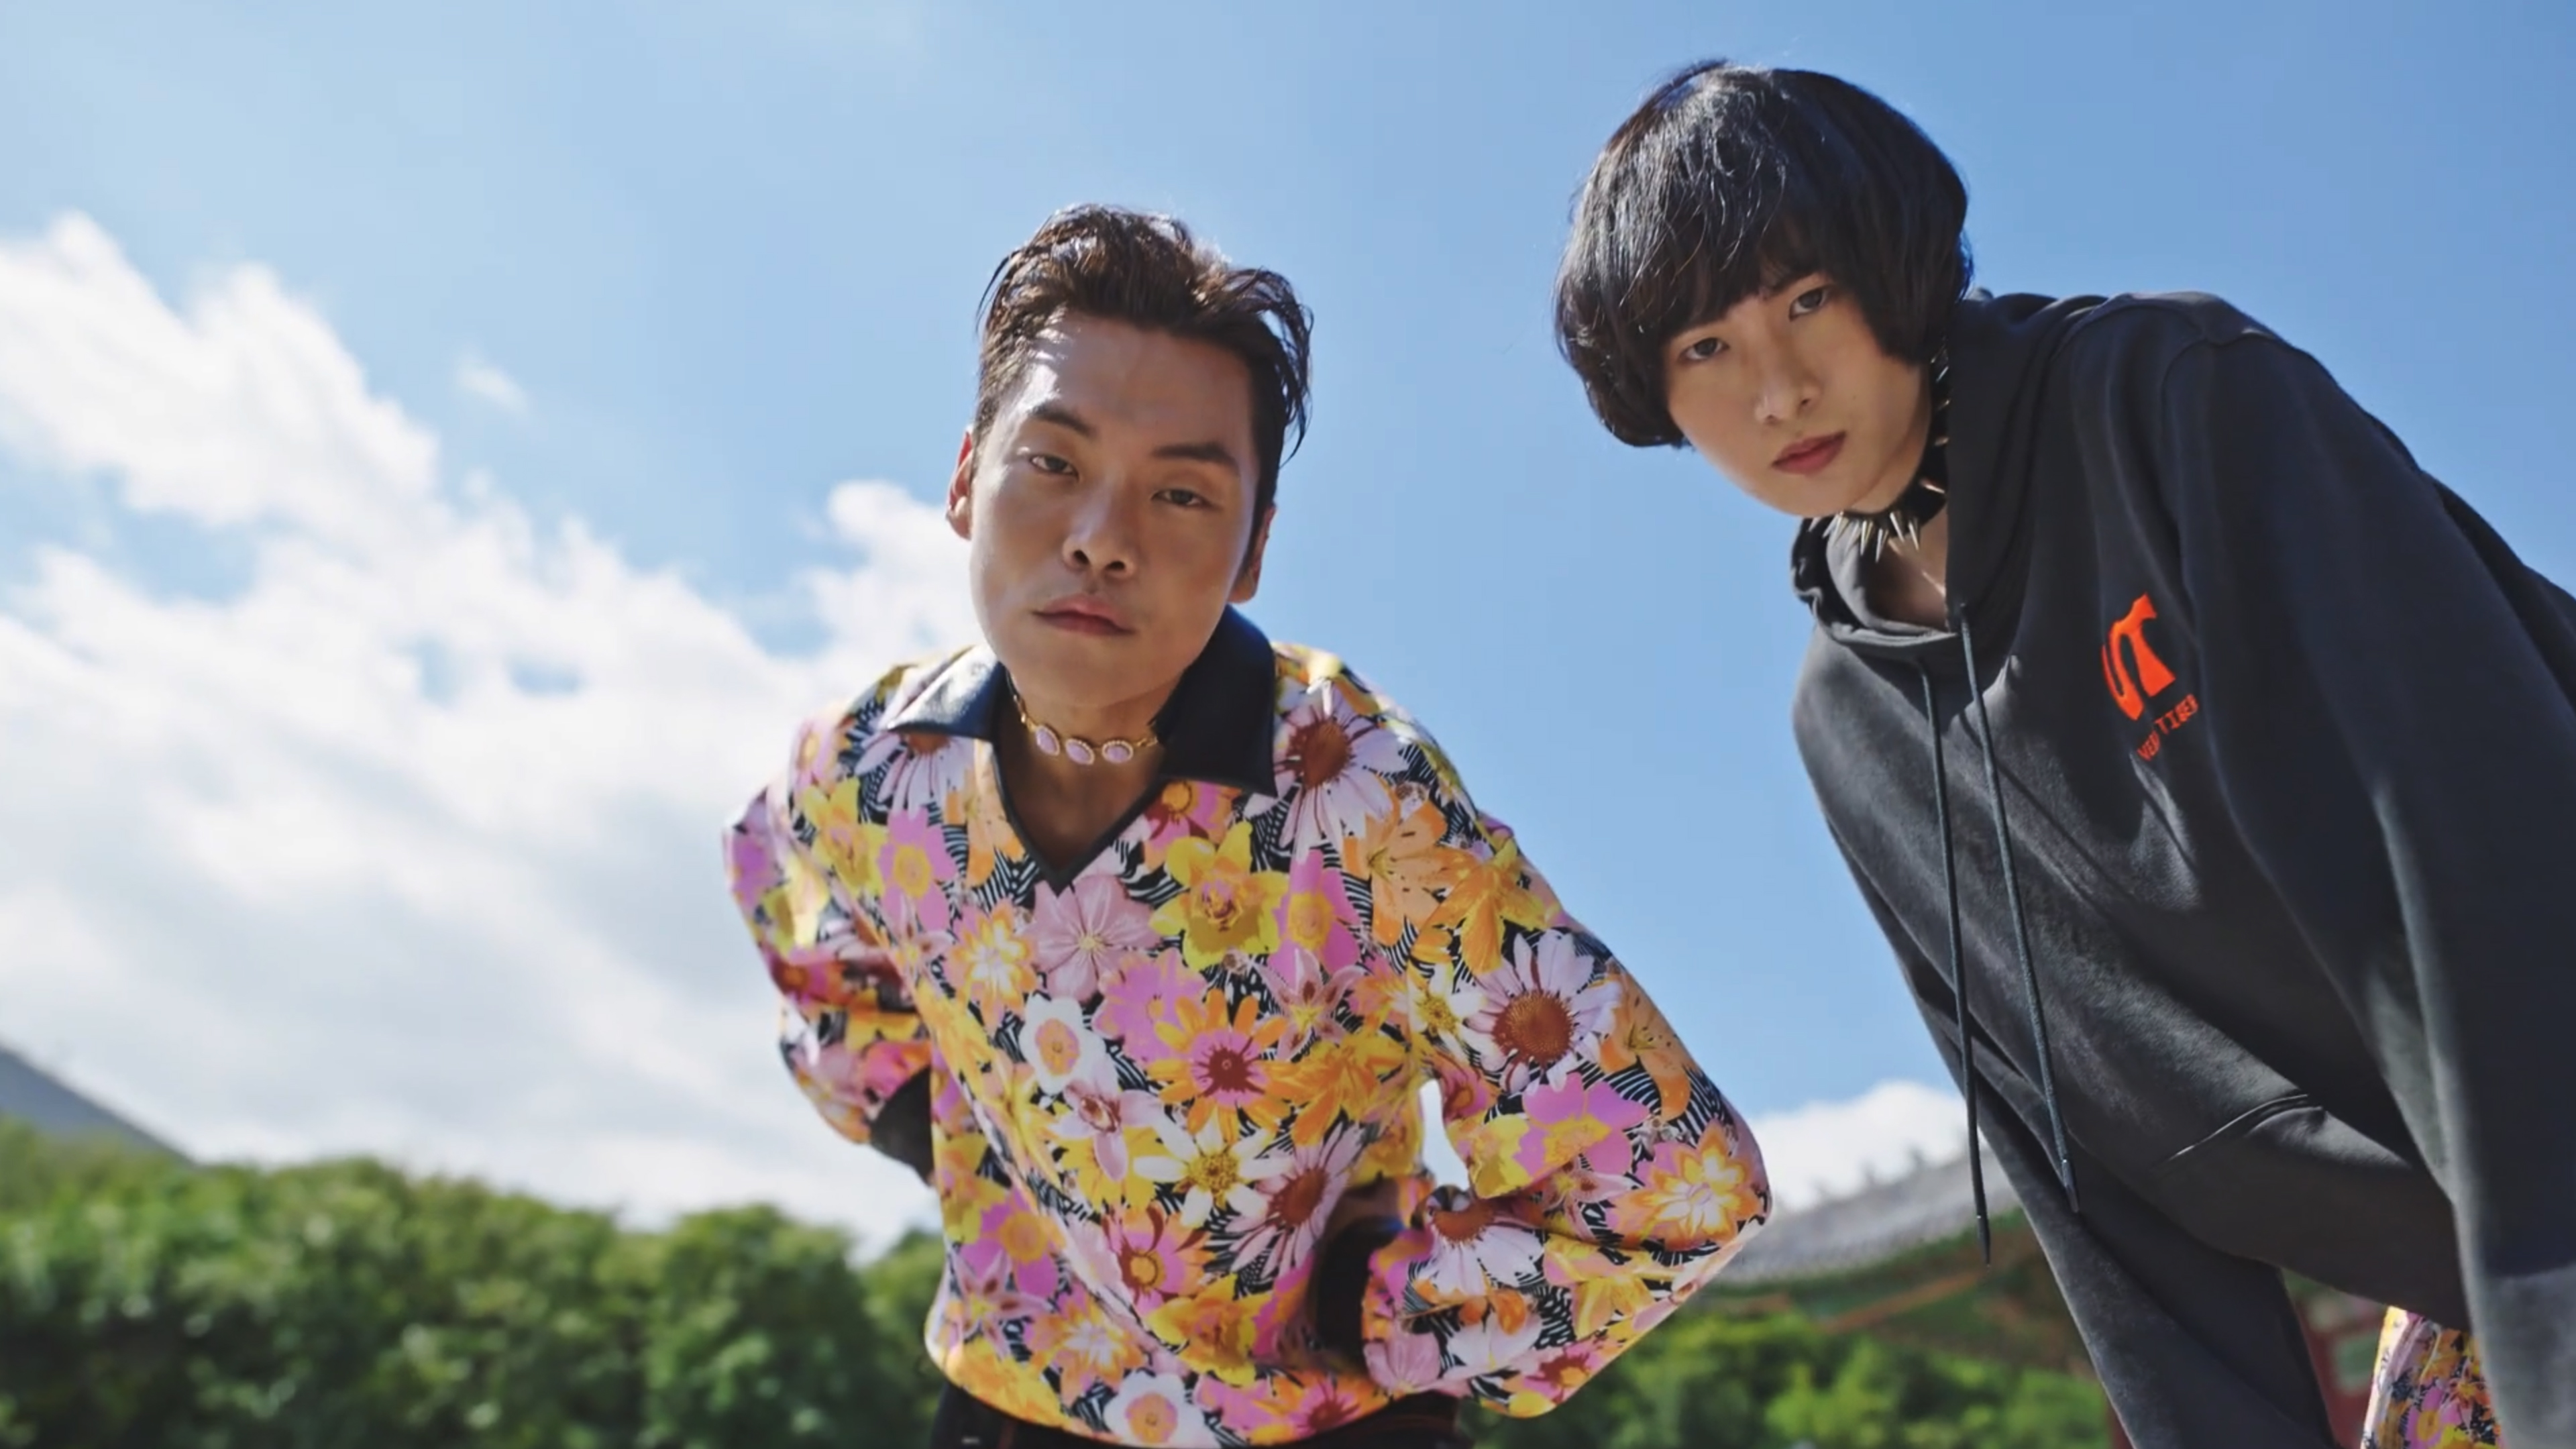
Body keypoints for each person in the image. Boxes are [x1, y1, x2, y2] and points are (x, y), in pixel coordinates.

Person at [1553, 60, 2575, 1449]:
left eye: (1807, 300)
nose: (1779, 390)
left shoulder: (2171, 396)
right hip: (2471, 1278)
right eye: (1704, 350)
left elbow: (2479, 857)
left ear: (1895, 265)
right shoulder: (1847, 726)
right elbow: (2080, 1175)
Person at [728, 205, 1768, 1449]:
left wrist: (1380, 1307)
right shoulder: (869, 767)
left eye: (1181, 492)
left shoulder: (1354, 800)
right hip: (1009, 1404)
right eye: (1053, 463)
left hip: (1319, 1424)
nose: (1101, 540)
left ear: (1255, 548)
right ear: (965, 478)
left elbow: (1673, 1182)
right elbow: (781, 892)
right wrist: (922, 1119)